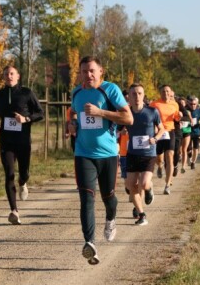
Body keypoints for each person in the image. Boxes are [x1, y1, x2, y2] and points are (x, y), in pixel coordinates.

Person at [67, 56, 133, 265]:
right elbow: (72, 114)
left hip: (108, 154)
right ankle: (90, 244)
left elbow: (128, 118)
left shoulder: (110, 90)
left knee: (108, 197)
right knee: (86, 198)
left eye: (92, 71)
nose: (89, 75)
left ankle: (111, 219)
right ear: (80, 73)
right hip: (83, 154)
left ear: (101, 71)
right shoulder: (76, 92)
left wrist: (101, 112)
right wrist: (71, 125)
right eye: (84, 71)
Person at [0, 65, 44, 225]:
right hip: (6, 141)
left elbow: (40, 113)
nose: (9, 76)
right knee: (9, 174)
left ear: (18, 76)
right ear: (3, 77)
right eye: (6, 74)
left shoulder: (27, 93)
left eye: (12, 73)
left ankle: (23, 182)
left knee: (24, 173)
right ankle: (14, 211)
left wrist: (26, 119)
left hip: (23, 140)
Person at [125, 83, 165, 225]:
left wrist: (156, 138)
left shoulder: (152, 111)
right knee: (130, 185)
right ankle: (141, 214)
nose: (137, 96)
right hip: (132, 154)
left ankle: (149, 189)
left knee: (144, 183)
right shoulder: (126, 113)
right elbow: (116, 128)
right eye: (133, 94)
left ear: (144, 95)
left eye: (140, 93)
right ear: (128, 96)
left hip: (148, 153)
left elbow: (161, 128)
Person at [149, 85, 180, 195]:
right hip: (158, 133)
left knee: (170, 156)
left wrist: (179, 116)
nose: (165, 93)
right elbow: (150, 118)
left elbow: (176, 118)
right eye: (163, 91)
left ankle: (167, 185)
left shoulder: (175, 104)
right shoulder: (154, 104)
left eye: (167, 91)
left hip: (170, 132)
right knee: (159, 158)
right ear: (160, 93)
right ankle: (160, 166)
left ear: (170, 92)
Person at [188, 97, 200, 169]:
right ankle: (189, 157)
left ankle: (193, 162)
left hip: (196, 132)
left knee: (195, 148)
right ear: (189, 104)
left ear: (197, 104)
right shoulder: (186, 111)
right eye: (191, 104)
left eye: (194, 104)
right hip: (187, 132)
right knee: (188, 149)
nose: (193, 105)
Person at [178, 97, 193, 173]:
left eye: (183, 103)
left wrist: (191, 123)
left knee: (184, 149)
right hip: (179, 132)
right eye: (180, 103)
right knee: (179, 150)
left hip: (187, 131)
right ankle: (179, 159)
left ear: (185, 103)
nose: (182, 104)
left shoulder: (188, 112)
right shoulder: (176, 111)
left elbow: (191, 120)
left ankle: (183, 166)